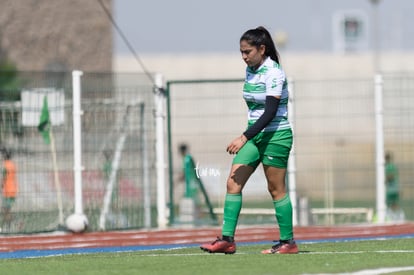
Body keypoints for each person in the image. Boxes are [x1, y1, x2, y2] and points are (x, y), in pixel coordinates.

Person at [200, 26, 298, 254]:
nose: (244, 56)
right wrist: (249, 136)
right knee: (232, 182)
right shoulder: (251, 70)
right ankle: (227, 240)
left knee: (276, 189)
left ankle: (288, 242)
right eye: (241, 52)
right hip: (254, 136)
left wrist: (244, 137)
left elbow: (270, 111)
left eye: (248, 52)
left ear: (261, 49)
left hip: (276, 136)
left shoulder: (274, 72)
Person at [384, 152, 405, 222]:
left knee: (393, 203)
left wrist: (385, 180)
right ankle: (394, 217)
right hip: (392, 188)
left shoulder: (390, 166)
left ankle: (399, 216)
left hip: (393, 189)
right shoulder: (389, 166)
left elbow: (392, 176)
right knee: (391, 203)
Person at [1, 150, 18, 231]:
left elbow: (4, 177)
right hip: (13, 190)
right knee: (7, 209)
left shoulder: (5, 165)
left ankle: (12, 224)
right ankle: (11, 224)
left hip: (7, 190)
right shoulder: (13, 165)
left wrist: (1, 185)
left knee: (5, 209)